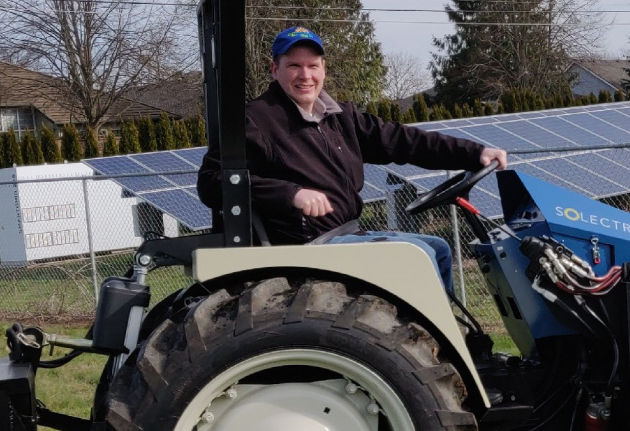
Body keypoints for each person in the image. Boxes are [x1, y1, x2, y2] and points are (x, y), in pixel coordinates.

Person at [196, 26, 506, 291]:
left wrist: (474, 153)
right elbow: (212, 182)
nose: (305, 76)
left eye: (313, 66)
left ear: (323, 69)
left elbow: (403, 141)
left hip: (348, 232)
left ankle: (441, 343)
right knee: (418, 254)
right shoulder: (257, 120)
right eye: (294, 66)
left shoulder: (340, 116)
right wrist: (290, 194)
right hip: (311, 247)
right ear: (275, 69)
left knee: (437, 249)